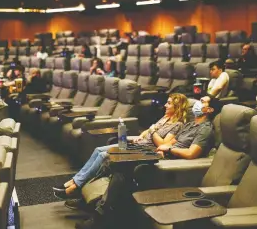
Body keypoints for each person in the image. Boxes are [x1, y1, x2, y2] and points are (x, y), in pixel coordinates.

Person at [70, 97, 221, 229]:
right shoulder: (190, 125)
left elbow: (191, 153)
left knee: (120, 166)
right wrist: (164, 147)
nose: (197, 104)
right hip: (160, 154)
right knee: (114, 160)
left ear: (209, 109)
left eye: (202, 101)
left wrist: (169, 149)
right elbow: (172, 141)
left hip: (169, 164)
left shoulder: (205, 129)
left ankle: (99, 217)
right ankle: (98, 210)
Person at [52, 93, 190, 199]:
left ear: (177, 107)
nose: (165, 105)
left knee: (103, 155)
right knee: (98, 149)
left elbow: (163, 144)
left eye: (169, 103)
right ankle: (73, 181)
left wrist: (152, 130)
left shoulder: (178, 125)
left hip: (145, 151)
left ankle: (75, 187)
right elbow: (147, 132)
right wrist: (140, 137)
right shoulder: (165, 118)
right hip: (139, 144)